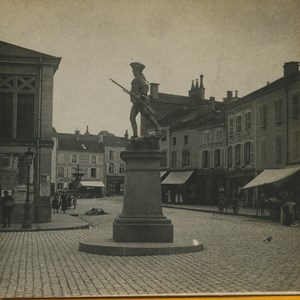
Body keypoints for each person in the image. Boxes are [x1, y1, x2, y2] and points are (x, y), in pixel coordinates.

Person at [129, 62, 161, 137]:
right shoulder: (134, 80)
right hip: (136, 102)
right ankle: (135, 134)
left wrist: (139, 95)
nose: (133, 72)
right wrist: (132, 94)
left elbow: (145, 88)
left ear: (138, 71)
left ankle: (157, 127)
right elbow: (134, 90)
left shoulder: (140, 79)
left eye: (135, 71)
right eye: (133, 71)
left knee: (146, 114)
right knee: (132, 117)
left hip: (141, 101)